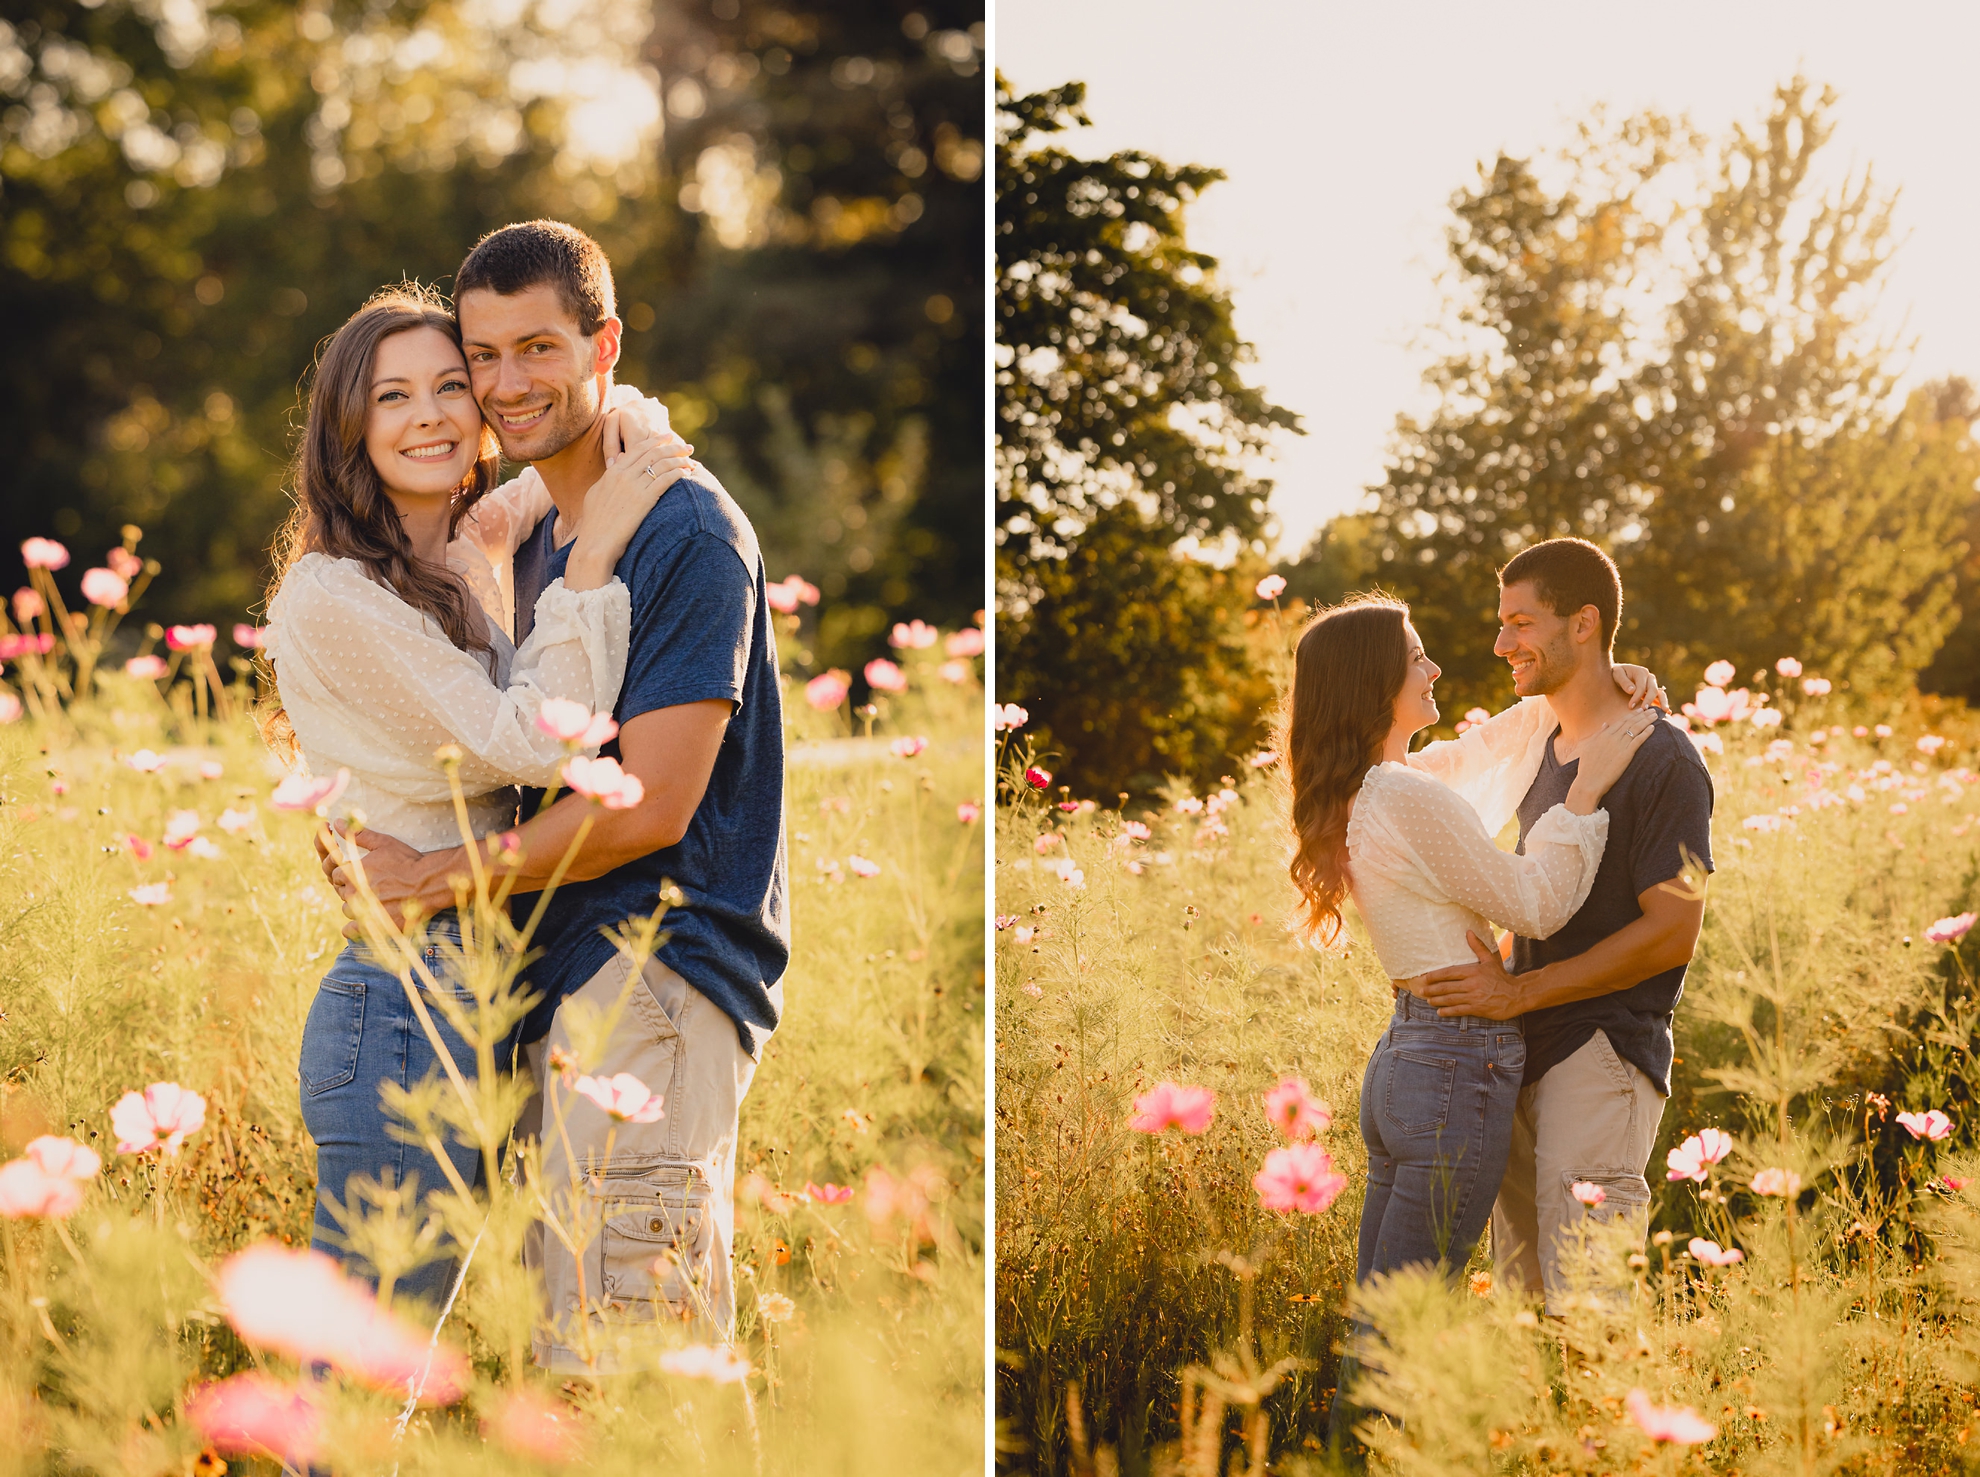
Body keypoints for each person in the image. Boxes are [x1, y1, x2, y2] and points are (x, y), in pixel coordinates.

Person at [325, 220, 790, 1371]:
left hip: (653, 978)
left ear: (604, 343)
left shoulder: (683, 530)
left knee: (639, 1367)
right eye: (484, 356)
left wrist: (432, 880)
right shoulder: (542, 532)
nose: (505, 383)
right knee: (574, 1370)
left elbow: (649, 806)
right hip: (559, 988)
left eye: (537, 348)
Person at [264, 282, 693, 1309]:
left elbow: (615, 419)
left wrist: (620, 422)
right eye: (393, 396)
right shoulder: (332, 594)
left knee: (400, 1358)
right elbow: (527, 743)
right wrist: (594, 555)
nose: (430, 416)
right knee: (364, 1368)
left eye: (451, 387)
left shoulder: (456, 550)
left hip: (476, 986)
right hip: (405, 998)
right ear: (347, 428)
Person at [1282, 594, 1662, 1451]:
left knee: (1380, 1317)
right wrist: (1588, 792)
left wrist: (1592, 687)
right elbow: (1538, 900)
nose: (1437, 667)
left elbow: (1490, 750)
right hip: (1453, 1066)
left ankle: (1351, 1460)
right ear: (1376, 680)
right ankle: (1364, 1464)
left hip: (1409, 1062)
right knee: (1402, 1330)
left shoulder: (1379, 787)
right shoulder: (1402, 797)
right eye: (1418, 656)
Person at [1417, 538, 1713, 1315]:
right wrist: (1501, 981)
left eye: (1520, 621)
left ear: (1583, 623)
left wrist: (1520, 991)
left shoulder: (1666, 761)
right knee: (1524, 1310)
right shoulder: (1537, 746)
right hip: (1522, 1052)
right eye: (1501, 622)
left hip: (1601, 1050)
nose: (1500, 642)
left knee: (1591, 1307)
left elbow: (1672, 931)